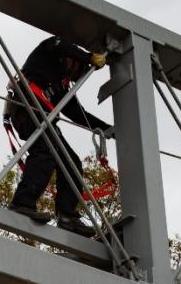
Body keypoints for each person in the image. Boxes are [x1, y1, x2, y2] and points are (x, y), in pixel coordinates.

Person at [6, 36, 114, 237]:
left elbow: (77, 114)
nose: (75, 76)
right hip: (25, 107)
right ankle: (22, 202)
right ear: (72, 59)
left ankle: (67, 216)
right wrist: (89, 56)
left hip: (43, 117)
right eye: (77, 69)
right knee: (45, 152)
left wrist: (108, 129)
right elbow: (60, 43)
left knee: (71, 163)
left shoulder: (63, 87)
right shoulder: (47, 55)